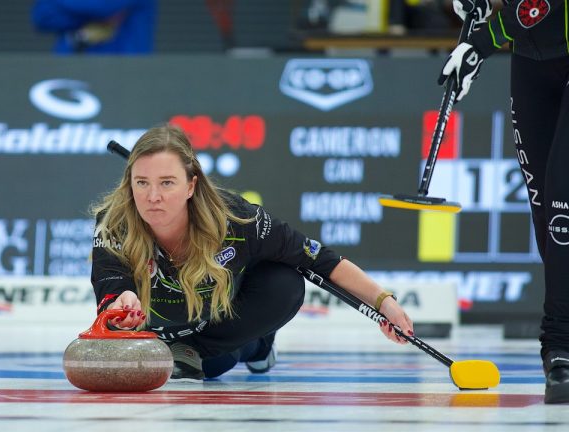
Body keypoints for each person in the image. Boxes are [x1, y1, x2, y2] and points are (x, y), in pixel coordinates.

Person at [90, 125, 415, 381]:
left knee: (285, 282)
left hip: (212, 339)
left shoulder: (238, 219)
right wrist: (121, 303)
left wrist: (384, 302)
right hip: (152, 337)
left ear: (191, 186)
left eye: (167, 183)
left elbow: (319, 259)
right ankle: (257, 347)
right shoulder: (113, 220)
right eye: (142, 183)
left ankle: (255, 344)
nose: (153, 197)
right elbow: (109, 279)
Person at [438, 0, 569, 404]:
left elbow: (539, 4)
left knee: (563, 203)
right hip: (529, 59)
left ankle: (559, 346)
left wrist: (479, 42)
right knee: (544, 212)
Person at [31, 0, 157, 55]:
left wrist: (60, 6)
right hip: (70, 66)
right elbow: (42, 17)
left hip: (123, 68)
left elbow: (103, 6)